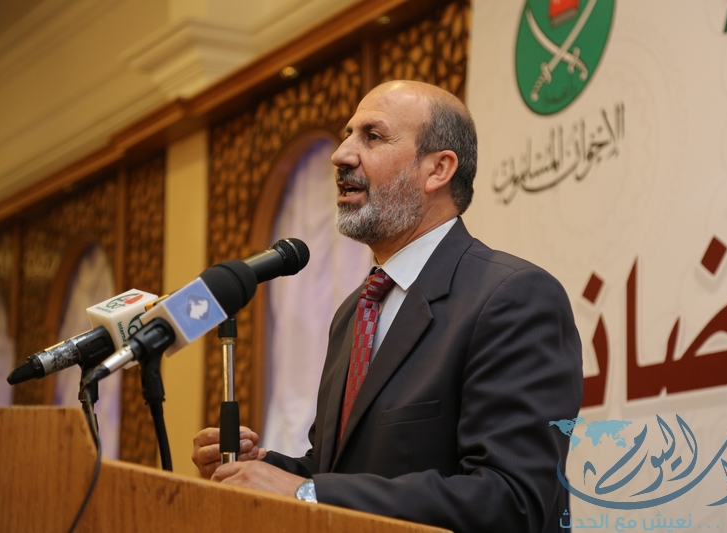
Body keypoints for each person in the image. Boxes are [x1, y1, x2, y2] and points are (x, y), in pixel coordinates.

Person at [193, 80, 583, 532]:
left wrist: (305, 492)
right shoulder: (356, 311)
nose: (341, 155)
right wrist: (260, 469)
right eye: (347, 135)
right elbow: (338, 470)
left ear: (438, 169)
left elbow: (512, 500)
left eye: (372, 137)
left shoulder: (512, 297)